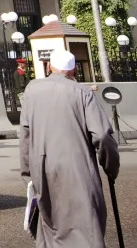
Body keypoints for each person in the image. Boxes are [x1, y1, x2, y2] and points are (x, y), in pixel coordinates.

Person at [19, 48, 120, 248]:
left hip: (43, 168)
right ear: (73, 71)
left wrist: (28, 174)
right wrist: (111, 166)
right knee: (86, 225)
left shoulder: (32, 90)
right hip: (78, 168)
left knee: (50, 227)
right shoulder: (82, 92)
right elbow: (101, 135)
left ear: (49, 67)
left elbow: (25, 136)